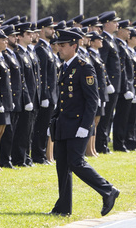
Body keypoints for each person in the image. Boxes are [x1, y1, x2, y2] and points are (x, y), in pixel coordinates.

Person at [49, 28, 120, 217]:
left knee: (76, 162)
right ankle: (63, 208)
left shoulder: (84, 67)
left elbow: (92, 100)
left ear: (74, 46)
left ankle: (108, 190)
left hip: (78, 125)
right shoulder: (63, 66)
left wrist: (86, 126)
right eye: (58, 45)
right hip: (64, 124)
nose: (60, 49)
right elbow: (63, 99)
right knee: (62, 166)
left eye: (63, 46)